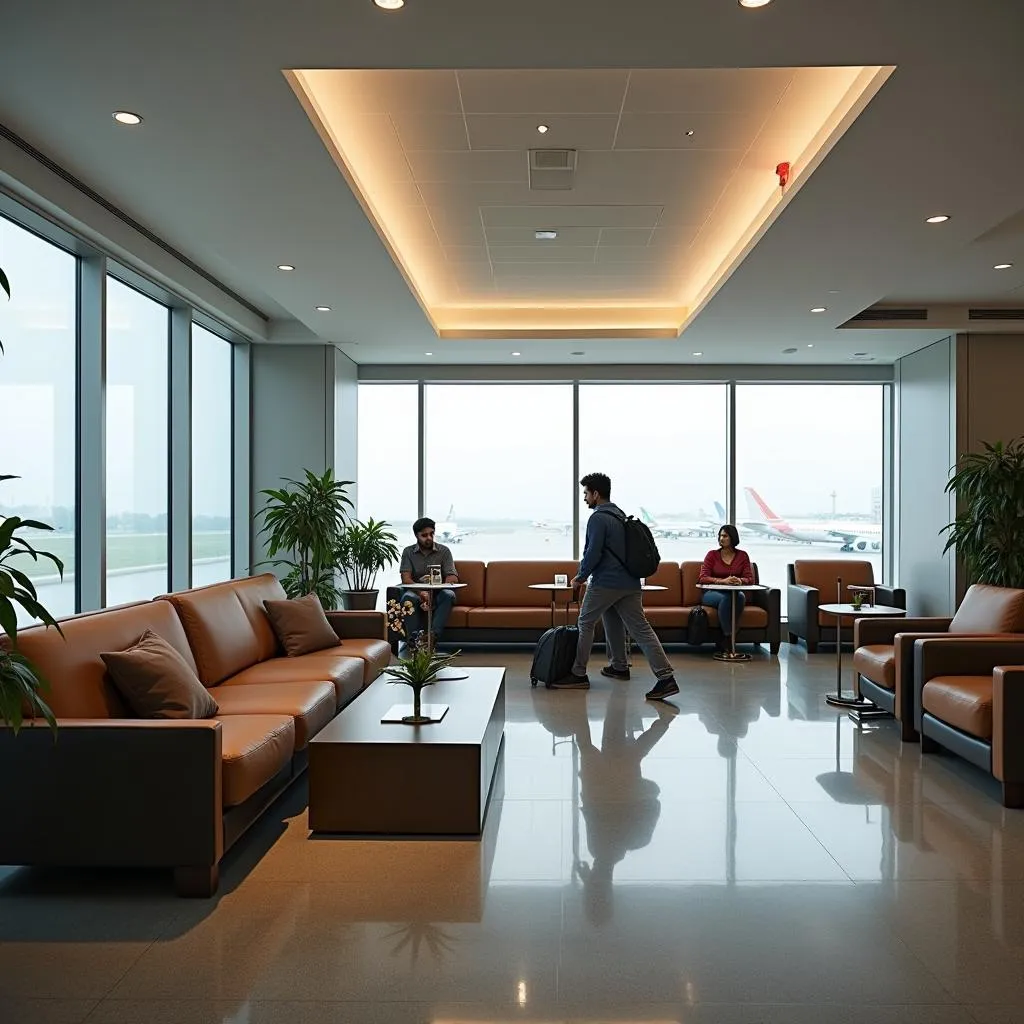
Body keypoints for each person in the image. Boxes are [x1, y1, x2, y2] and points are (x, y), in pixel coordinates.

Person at [551, 472, 679, 701]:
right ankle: (637, 670)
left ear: (596, 494)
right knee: (632, 625)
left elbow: (593, 554)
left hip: (605, 582)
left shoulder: (598, 519)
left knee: (585, 622)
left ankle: (578, 673)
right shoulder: (620, 516)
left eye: (586, 493)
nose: (584, 498)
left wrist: (580, 577)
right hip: (630, 582)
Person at [398, 517, 459, 649]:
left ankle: (432, 637)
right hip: (415, 591)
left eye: (431, 534)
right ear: (416, 535)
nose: (429, 538)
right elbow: (406, 579)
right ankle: (413, 640)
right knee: (408, 598)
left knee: (448, 595)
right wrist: (422, 593)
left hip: (438, 592)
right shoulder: (408, 552)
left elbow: (452, 577)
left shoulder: (444, 551)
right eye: (424, 535)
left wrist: (434, 590)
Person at [699, 524, 754, 650]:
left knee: (739, 597)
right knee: (727, 599)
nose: (721, 539)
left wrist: (739, 580)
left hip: (734, 592)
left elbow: (750, 579)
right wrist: (722, 581)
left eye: (725, 536)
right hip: (711, 593)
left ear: (733, 538)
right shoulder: (712, 555)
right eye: (720, 536)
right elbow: (702, 577)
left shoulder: (742, 556)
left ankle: (726, 638)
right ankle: (729, 636)